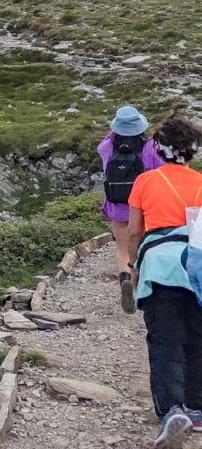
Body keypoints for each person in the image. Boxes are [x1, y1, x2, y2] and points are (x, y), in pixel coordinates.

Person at [128, 116, 202, 446]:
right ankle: (198, 410)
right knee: (197, 338)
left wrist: (133, 267)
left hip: (160, 266)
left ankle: (172, 409)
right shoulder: (201, 182)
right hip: (197, 266)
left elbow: (133, 231)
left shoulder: (145, 182)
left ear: (158, 149)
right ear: (193, 151)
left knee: (165, 338)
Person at [98, 106, 164, 313]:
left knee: (122, 248)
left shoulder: (107, 146)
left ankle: (125, 279)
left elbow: (105, 146)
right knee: (145, 246)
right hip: (144, 205)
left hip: (117, 204)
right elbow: (161, 172)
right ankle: (142, 288)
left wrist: (114, 132)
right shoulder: (151, 147)